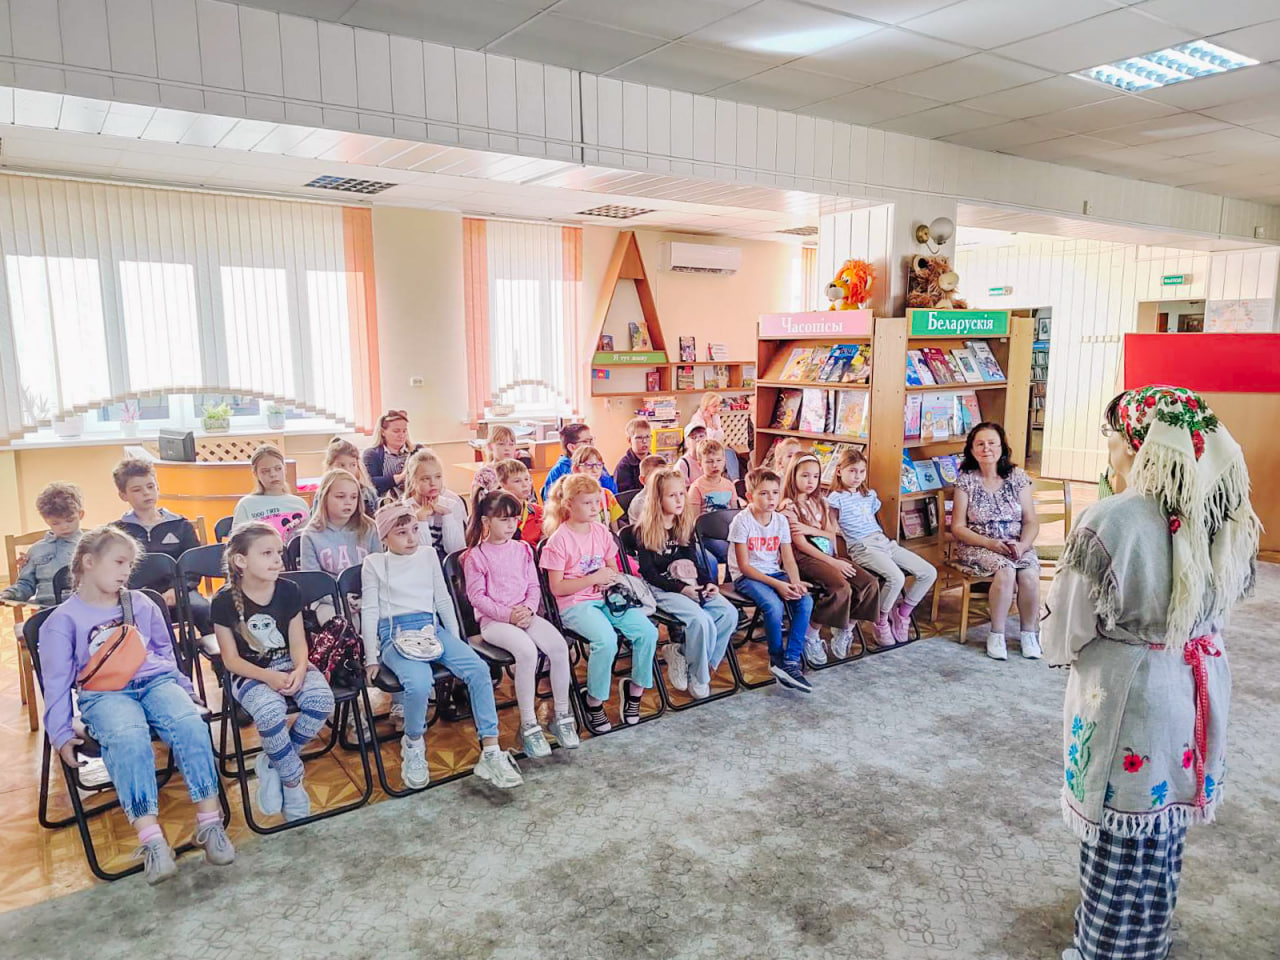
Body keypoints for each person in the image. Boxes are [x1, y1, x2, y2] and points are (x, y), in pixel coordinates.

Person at [1044, 385, 1259, 960]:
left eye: (1113, 438)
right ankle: (1149, 936)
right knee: (1161, 829)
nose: (1109, 450)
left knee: (1118, 833)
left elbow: (1068, 624)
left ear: (1140, 445)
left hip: (1132, 692)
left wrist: (1063, 651)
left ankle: (1105, 948)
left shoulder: (1114, 517)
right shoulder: (1222, 510)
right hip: (1195, 682)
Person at [40, 525, 233, 884]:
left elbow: (165, 654)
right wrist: (61, 733)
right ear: (88, 562)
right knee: (128, 738)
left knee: (190, 724)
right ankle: (152, 840)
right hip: (105, 694)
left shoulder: (141, 603)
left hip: (156, 682)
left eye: (129, 564)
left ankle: (210, 823)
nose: (126, 571)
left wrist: (186, 691)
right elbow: (55, 685)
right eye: (119, 562)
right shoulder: (62, 621)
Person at [361, 502, 523, 790]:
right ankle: (413, 743)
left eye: (414, 529)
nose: (412, 538)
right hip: (394, 632)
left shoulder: (427, 555)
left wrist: (457, 642)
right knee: (419, 682)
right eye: (401, 533)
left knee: (478, 669)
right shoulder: (373, 563)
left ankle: (491, 749)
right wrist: (371, 657)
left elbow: (443, 599)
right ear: (384, 537)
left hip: (431, 627)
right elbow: (370, 611)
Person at [211, 522, 335, 822]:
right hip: (250, 673)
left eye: (278, 552)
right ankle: (292, 781)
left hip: (290, 663)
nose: (278, 559)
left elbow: (298, 642)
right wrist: (268, 677)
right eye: (267, 553)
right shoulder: (223, 601)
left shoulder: (289, 590)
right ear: (241, 560)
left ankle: (273, 760)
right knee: (269, 713)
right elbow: (231, 660)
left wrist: (301, 669)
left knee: (322, 702)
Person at [462, 491, 578, 757]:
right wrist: (508, 615)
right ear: (486, 521)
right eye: (503, 519)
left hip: (526, 614)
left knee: (559, 647)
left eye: (514, 518)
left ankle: (562, 715)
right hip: (495, 622)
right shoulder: (476, 556)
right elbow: (477, 598)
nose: (511, 525)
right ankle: (529, 724)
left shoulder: (523, 549)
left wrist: (528, 609)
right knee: (526, 652)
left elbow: (533, 586)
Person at [539, 474, 658, 732]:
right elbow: (557, 588)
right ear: (569, 504)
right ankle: (593, 701)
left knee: (648, 632)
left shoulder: (602, 532)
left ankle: (634, 691)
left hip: (607, 597)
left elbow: (613, 568)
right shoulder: (559, 540)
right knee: (606, 640)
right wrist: (593, 578)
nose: (595, 508)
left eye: (597, 502)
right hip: (574, 604)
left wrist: (609, 578)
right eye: (587, 503)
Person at [635, 468, 736, 699]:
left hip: (689, 582)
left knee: (728, 613)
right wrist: (683, 589)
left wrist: (708, 583)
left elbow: (693, 562)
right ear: (657, 499)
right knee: (701, 621)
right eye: (672, 495)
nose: (680, 500)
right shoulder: (644, 530)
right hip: (663, 588)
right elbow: (649, 574)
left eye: (682, 494)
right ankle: (700, 676)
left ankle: (687, 657)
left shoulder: (684, 525)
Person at [827, 448, 937, 649]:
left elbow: (876, 522)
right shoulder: (836, 498)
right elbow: (830, 529)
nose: (857, 476)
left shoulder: (869, 495)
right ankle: (880, 619)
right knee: (896, 578)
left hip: (883, 542)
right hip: (862, 546)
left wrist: (887, 542)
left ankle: (902, 614)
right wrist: (834, 556)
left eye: (861, 471)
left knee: (929, 572)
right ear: (839, 471)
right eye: (852, 471)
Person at [951, 421, 1042, 661]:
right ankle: (996, 634)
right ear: (971, 449)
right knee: (1006, 571)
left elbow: (1031, 521)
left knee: (1029, 575)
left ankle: (1029, 634)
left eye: (992, 443)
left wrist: (1022, 545)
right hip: (978, 545)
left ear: (1002, 447)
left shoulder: (1017, 477)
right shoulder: (965, 481)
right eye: (980, 444)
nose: (986, 448)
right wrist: (989, 544)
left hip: (1016, 543)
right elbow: (957, 527)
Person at [780, 453, 879, 663]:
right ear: (793, 476)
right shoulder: (789, 507)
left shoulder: (821, 502)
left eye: (815, 476)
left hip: (828, 554)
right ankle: (811, 633)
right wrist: (833, 562)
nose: (811, 481)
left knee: (869, 583)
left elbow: (831, 534)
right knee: (841, 587)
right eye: (805, 475)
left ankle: (846, 629)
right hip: (805, 559)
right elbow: (801, 544)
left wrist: (811, 530)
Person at [728, 467, 814, 693]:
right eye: (764, 493)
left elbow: (788, 558)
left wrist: (795, 582)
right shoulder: (741, 521)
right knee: (774, 606)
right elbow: (744, 566)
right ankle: (776, 659)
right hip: (747, 577)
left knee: (805, 601)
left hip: (774, 573)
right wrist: (779, 585)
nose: (771, 499)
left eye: (775, 493)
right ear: (750, 496)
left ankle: (791, 661)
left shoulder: (781, 521)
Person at [111, 458, 209, 635]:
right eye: (137, 490)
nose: (146, 493)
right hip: (136, 595)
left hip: (179, 591)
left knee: (204, 610)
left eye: (151, 486)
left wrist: (177, 589)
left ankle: (214, 651)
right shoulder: (117, 532)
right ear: (123, 495)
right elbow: (113, 569)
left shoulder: (180, 525)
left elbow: (194, 565)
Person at [1, 482, 84, 607]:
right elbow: (26, 584)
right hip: (46, 610)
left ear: (80, 514)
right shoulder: (36, 550)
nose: (64, 526)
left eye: (70, 520)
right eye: (56, 523)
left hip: (81, 610)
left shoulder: (92, 545)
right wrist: (9, 594)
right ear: (46, 520)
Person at [299, 469, 381, 576]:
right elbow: (313, 580)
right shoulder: (310, 535)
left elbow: (378, 571)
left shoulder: (370, 528)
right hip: (328, 587)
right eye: (340, 497)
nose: (348, 502)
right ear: (324, 498)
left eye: (353, 497)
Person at [230, 444, 309, 540]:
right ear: (256, 474)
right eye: (265, 471)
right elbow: (237, 543)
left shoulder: (299, 503)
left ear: (285, 469)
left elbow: (309, 540)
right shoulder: (246, 504)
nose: (273, 474)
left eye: (278, 469)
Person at [402, 447, 467, 563]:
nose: (433, 483)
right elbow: (421, 556)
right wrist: (420, 519)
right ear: (413, 481)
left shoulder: (452, 505)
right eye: (425, 479)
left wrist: (447, 516)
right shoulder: (405, 509)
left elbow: (457, 551)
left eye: (438, 477)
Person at [688, 438, 742, 567]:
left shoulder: (729, 485)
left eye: (718, 460)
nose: (715, 465)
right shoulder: (696, 487)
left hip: (728, 533)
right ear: (700, 464)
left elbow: (734, 513)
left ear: (724, 461)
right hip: (708, 536)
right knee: (728, 552)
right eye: (709, 461)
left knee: (742, 549)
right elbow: (694, 520)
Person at [541, 422, 616, 501]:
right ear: (572, 447)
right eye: (586, 441)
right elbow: (552, 502)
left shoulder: (597, 464)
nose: (592, 445)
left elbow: (613, 493)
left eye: (591, 440)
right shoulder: (558, 471)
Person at [362, 410, 419, 500]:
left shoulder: (417, 451)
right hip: (386, 502)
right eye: (396, 431)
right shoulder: (371, 454)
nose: (401, 435)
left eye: (404, 431)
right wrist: (400, 477)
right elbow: (369, 483)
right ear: (383, 432)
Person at [570, 445, 624, 531]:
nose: (595, 470)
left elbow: (614, 529)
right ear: (576, 469)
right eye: (588, 465)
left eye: (599, 465)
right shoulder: (570, 498)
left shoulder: (607, 495)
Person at [689, 391, 741, 479]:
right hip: (702, 449)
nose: (717, 409)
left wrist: (713, 428)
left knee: (730, 452)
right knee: (727, 453)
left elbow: (720, 436)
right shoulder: (697, 419)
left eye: (718, 405)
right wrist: (709, 425)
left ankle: (736, 480)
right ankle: (734, 479)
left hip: (715, 446)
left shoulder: (715, 416)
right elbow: (705, 441)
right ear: (706, 406)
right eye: (714, 406)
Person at [324, 437, 379, 517]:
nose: (348, 470)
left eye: (353, 465)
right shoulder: (323, 494)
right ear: (330, 467)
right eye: (342, 465)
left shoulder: (368, 493)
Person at [495, 458, 544, 545]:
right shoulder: (494, 514)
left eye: (527, 479)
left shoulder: (538, 512)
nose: (525, 485)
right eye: (517, 481)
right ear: (502, 484)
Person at [625, 454, 670, 527]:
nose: (663, 481)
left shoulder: (669, 496)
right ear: (643, 480)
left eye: (666, 476)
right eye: (656, 477)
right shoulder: (640, 504)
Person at [613, 417, 652, 493]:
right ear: (629, 440)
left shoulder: (655, 462)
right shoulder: (623, 467)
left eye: (647, 437)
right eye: (639, 438)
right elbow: (625, 496)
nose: (644, 441)